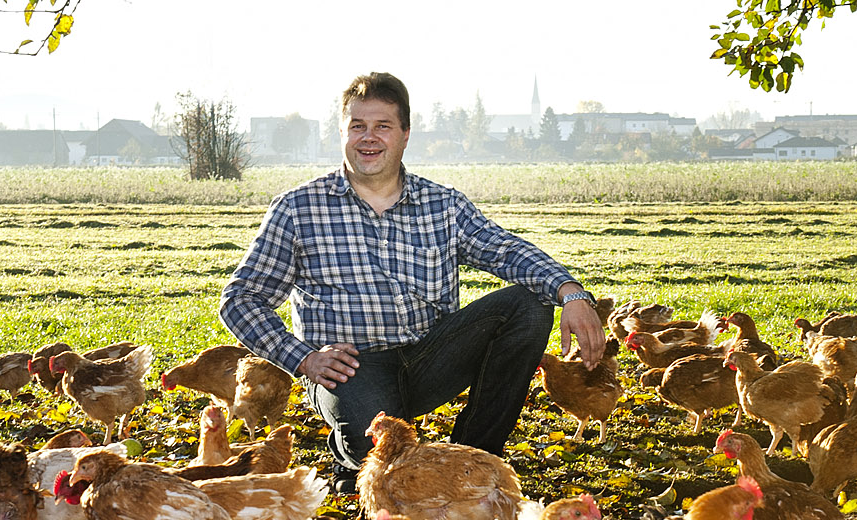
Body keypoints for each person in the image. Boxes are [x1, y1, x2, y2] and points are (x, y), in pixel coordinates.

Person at [219, 72, 605, 491]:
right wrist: (304, 359)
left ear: (405, 134)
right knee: (382, 460)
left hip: (431, 356)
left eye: (382, 126)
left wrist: (571, 293)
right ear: (342, 133)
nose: (369, 138)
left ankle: (472, 459)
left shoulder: (443, 205)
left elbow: (506, 250)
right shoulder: (299, 208)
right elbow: (241, 299)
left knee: (528, 306)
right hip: (351, 367)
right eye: (357, 126)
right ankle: (353, 462)